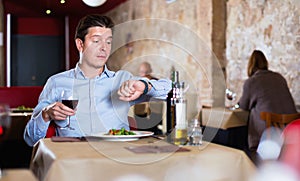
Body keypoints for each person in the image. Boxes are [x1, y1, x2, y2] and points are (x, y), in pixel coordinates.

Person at [23, 14, 171, 147]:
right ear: (80, 45)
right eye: (96, 41)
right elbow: (30, 140)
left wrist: (145, 86)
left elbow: (173, 90)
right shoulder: (56, 83)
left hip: (117, 159)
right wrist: (45, 114)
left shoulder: (122, 80)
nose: (104, 48)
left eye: (108, 42)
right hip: (73, 162)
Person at [238, 50, 297, 153]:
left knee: (250, 118)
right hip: (289, 131)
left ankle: (250, 160)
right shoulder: (279, 77)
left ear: (250, 65)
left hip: (269, 135)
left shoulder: (251, 82)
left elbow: (243, 106)